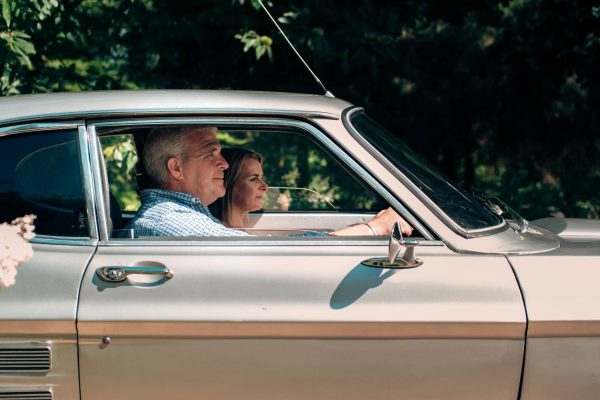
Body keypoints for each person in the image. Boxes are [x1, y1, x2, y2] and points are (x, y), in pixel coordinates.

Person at [209, 147, 414, 237]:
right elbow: (291, 249)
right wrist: (375, 228)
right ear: (228, 184)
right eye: (254, 179)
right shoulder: (225, 235)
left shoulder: (241, 231)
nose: (265, 186)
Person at [124, 126, 247, 237]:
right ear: (176, 168)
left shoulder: (170, 215)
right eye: (210, 154)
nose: (225, 164)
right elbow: (248, 252)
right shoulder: (168, 219)